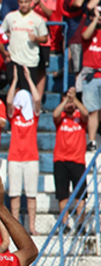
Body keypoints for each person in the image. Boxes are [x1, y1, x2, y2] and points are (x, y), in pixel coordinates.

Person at [6, 68, 42, 235]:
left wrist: (28, 80)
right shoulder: (15, 116)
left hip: (31, 158)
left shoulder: (33, 116)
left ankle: (32, 227)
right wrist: (14, 81)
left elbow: (37, 99)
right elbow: (8, 102)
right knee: (14, 194)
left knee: (31, 194)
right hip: (14, 157)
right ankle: (16, 226)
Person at [53, 87, 89, 227]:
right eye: (67, 102)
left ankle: (80, 222)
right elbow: (55, 114)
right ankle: (64, 222)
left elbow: (86, 113)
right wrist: (66, 101)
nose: (69, 104)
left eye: (71, 102)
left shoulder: (80, 118)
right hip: (60, 161)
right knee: (62, 194)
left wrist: (74, 99)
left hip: (78, 161)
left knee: (81, 194)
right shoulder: (60, 118)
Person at [1, 0, 48, 91]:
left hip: (30, 60)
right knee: (14, 89)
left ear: (30, 2)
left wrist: (36, 39)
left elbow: (45, 38)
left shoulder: (37, 19)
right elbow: (1, 33)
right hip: (14, 58)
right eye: (21, 2)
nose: (23, 5)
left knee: (27, 91)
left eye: (26, 2)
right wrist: (4, 51)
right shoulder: (10, 17)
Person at [78, 6, 101, 151]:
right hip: (90, 76)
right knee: (92, 110)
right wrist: (95, 20)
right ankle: (91, 141)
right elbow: (85, 36)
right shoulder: (87, 31)